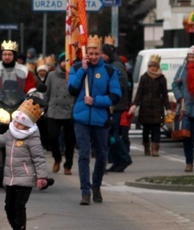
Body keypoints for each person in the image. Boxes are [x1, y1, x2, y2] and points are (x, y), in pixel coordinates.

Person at [67, 35, 121, 205]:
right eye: (90, 53)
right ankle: (85, 192)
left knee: (102, 155)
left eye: (96, 53)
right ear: (86, 53)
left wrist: (96, 101)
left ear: (101, 53)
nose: (93, 56)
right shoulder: (77, 68)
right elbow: (72, 89)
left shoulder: (110, 71)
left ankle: (96, 185)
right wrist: (82, 70)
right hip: (81, 118)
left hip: (100, 119)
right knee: (83, 155)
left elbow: (115, 96)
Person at [0, 98, 50, 230]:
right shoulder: (10, 133)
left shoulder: (32, 138)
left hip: (26, 177)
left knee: (19, 205)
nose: (18, 126)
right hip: (10, 177)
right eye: (17, 122)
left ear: (28, 125)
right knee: (8, 207)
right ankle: (15, 229)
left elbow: (39, 158)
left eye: (22, 124)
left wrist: (41, 177)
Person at [172, 45, 194, 172]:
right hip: (185, 108)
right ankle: (189, 162)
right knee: (186, 135)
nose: (191, 59)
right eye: (189, 57)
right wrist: (180, 97)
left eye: (193, 57)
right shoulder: (183, 69)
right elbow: (175, 84)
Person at [102, 42, 132, 172]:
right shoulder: (109, 64)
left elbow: (123, 84)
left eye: (102, 54)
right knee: (109, 134)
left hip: (116, 105)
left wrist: (109, 89)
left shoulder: (116, 65)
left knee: (113, 134)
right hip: (110, 104)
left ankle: (124, 158)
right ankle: (117, 161)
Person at [132, 53, 169, 157]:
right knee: (146, 129)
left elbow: (165, 94)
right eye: (151, 66)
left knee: (156, 129)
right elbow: (139, 92)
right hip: (145, 107)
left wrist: (168, 108)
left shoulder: (162, 78)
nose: (153, 68)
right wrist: (135, 105)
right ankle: (146, 147)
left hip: (157, 107)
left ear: (158, 67)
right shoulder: (144, 77)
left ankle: (155, 149)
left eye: (155, 66)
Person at [46, 53, 76, 175]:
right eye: (63, 61)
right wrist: (44, 106)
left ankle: (68, 164)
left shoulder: (74, 75)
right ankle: (57, 158)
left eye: (67, 61)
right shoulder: (51, 75)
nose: (65, 63)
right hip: (54, 110)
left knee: (70, 140)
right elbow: (46, 92)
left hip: (70, 110)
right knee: (52, 137)